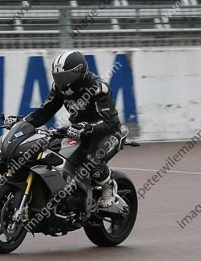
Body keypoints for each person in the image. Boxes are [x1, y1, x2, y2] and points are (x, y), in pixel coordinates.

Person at [9, 50, 122, 208]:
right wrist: (23, 122)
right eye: (58, 77)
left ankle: (108, 185)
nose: (62, 81)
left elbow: (108, 121)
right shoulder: (59, 88)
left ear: (80, 72)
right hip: (76, 130)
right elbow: (45, 111)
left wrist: (86, 127)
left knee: (92, 159)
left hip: (107, 133)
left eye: (65, 77)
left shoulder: (98, 88)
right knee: (51, 151)